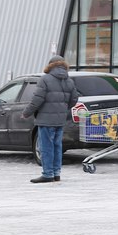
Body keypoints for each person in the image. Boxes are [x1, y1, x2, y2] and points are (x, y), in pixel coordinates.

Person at [22, 55, 79, 184]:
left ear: (50, 65)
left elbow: (37, 99)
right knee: (57, 146)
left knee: (46, 147)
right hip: (60, 120)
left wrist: (26, 113)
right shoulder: (69, 81)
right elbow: (74, 99)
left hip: (46, 119)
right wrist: (63, 109)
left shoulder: (45, 79)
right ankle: (56, 173)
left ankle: (48, 174)